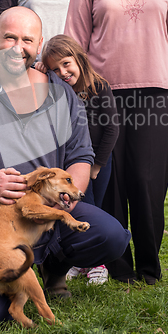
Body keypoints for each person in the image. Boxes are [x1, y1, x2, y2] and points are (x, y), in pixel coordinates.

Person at [0, 6, 131, 327]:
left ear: (39, 44)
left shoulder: (62, 95)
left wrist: (70, 196)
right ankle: (4, 272)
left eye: (27, 39)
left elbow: (81, 156)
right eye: (9, 38)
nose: (18, 47)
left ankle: (53, 267)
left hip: (47, 213)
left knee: (112, 236)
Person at [64, 0, 168, 286]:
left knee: (149, 180)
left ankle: (149, 269)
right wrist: (76, 93)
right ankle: (119, 267)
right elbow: (75, 41)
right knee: (111, 181)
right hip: (104, 94)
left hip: (153, 92)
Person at [40, 34, 119, 285]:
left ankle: (98, 264)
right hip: (71, 165)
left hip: (96, 165)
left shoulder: (98, 87)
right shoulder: (57, 92)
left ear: (78, 58)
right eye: (54, 69)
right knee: (73, 205)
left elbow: (112, 129)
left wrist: (96, 165)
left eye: (66, 64)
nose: (62, 72)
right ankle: (80, 261)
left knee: (93, 208)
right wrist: (39, 69)